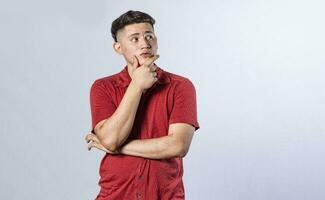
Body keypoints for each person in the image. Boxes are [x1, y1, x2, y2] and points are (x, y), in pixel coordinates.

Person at [85, 10, 199, 200]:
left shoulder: (181, 86)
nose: (145, 43)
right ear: (118, 48)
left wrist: (118, 148)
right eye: (134, 39)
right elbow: (111, 138)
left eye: (149, 36)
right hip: (115, 195)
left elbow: (178, 145)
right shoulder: (102, 87)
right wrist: (136, 85)